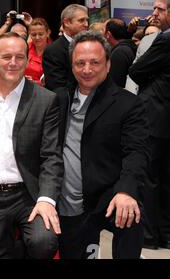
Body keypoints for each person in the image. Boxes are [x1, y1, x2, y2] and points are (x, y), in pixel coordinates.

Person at [0, 32, 63, 259]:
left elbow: (51, 156)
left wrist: (47, 199)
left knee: (44, 241)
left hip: (28, 194)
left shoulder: (45, 100)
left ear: (27, 60)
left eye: (20, 57)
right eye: (6, 56)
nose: (13, 63)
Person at [58, 31, 149, 259]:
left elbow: (136, 152)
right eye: (80, 63)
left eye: (95, 62)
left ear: (108, 64)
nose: (87, 69)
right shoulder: (59, 99)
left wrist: (126, 190)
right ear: (72, 66)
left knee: (132, 213)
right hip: (70, 203)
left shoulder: (128, 104)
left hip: (110, 195)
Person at [129, 0, 170, 250]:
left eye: (160, 9)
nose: (153, 13)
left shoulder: (164, 40)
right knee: (164, 179)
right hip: (161, 116)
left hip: (156, 117)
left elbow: (136, 71)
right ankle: (164, 233)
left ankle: (151, 235)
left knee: (152, 177)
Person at [43, 4, 88, 91]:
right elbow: (58, 87)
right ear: (67, 22)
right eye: (81, 20)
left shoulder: (90, 46)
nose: (86, 24)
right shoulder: (53, 51)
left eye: (87, 20)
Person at [103, 18, 137, 88]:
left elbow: (116, 85)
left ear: (108, 34)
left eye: (103, 30)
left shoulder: (119, 52)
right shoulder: (127, 47)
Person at [25, 18, 51, 85]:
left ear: (48, 33)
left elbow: (54, 77)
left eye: (41, 34)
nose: (37, 37)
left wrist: (36, 83)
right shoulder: (25, 48)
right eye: (33, 35)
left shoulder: (54, 51)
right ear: (30, 35)